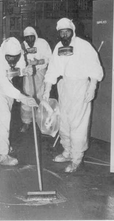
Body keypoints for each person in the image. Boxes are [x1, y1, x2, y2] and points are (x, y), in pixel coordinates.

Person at [43, 18, 104, 173]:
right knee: (64, 121)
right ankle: (67, 151)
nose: (64, 35)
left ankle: (76, 158)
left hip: (80, 87)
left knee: (78, 124)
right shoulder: (58, 47)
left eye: (67, 32)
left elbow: (95, 68)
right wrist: (47, 89)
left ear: (73, 31)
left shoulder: (84, 46)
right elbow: (52, 69)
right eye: (61, 33)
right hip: (64, 87)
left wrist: (92, 86)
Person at [0, 37, 38, 166]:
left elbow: (13, 71)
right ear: (4, 53)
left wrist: (24, 71)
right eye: (9, 58)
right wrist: (23, 97)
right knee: (3, 115)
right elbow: (4, 85)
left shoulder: (19, 54)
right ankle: (1, 154)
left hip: (6, 81)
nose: (12, 60)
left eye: (15, 58)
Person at [20, 26, 52, 132]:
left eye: (31, 37)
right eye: (27, 38)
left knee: (41, 96)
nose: (29, 40)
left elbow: (48, 58)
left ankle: (42, 122)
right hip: (28, 74)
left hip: (40, 73)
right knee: (27, 96)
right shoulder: (23, 46)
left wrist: (38, 62)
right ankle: (26, 121)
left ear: (35, 36)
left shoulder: (42, 43)